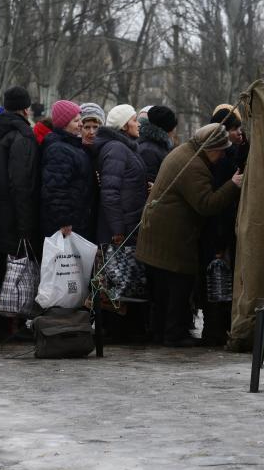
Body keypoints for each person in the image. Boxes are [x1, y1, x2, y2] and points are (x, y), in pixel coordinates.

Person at [135, 123, 242, 347]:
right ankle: (173, 335)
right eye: (221, 150)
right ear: (211, 148)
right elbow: (206, 204)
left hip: (158, 237)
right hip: (171, 240)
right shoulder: (194, 167)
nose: (223, 155)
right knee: (178, 288)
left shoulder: (183, 151)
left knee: (164, 291)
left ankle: (162, 332)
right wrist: (232, 185)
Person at [0, 86, 40, 298]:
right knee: (13, 274)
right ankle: (8, 323)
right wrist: (25, 225)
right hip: (13, 215)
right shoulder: (22, 135)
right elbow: (21, 183)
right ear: (25, 110)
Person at [94, 104, 149, 342]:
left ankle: (123, 330)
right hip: (120, 228)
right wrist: (117, 227)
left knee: (124, 279)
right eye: (135, 120)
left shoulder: (125, 148)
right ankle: (116, 332)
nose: (138, 124)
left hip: (127, 224)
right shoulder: (117, 149)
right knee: (118, 280)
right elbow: (110, 191)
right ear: (125, 124)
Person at [199, 104, 249, 345]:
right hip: (219, 231)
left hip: (220, 230)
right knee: (218, 282)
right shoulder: (222, 160)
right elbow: (219, 202)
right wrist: (219, 241)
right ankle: (215, 331)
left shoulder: (229, 154)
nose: (239, 133)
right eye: (235, 128)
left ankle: (216, 329)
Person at [40, 100, 96, 241]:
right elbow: (55, 189)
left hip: (77, 220)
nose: (81, 124)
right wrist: (64, 221)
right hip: (67, 226)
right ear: (64, 123)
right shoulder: (59, 150)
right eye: (76, 121)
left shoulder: (71, 145)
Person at [138, 105, 177, 182]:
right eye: (173, 127)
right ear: (167, 129)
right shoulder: (149, 151)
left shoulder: (159, 146)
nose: (174, 131)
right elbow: (149, 182)